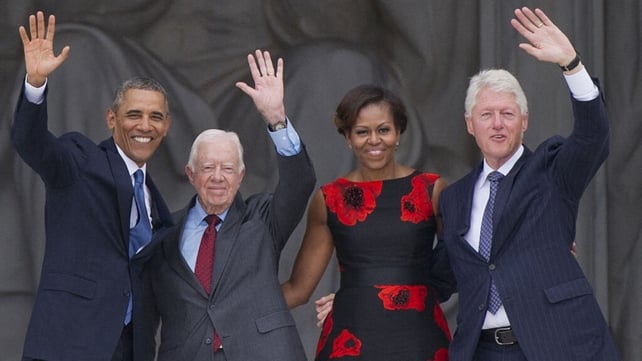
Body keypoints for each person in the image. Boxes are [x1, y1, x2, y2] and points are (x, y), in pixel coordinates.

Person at [438, 7, 620, 360]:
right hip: (482, 350)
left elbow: (593, 136)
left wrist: (571, 65)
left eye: (507, 114)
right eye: (486, 115)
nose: (497, 124)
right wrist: (358, 294)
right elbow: (438, 274)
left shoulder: (552, 170)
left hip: (558, 344)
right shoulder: (455, 197)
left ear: (524, 121)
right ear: (469, 124)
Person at [12, 11, 174, 361]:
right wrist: (35, 85)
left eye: (155, 116)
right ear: (111, 119)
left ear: (166, 127)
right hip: (69, 344)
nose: (144, 125)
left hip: (131, 349)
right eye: (134, 114)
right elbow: (32, 143)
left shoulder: (155, 201)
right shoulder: (80, 159)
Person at [143, 49, 316, 361]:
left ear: (241, 176)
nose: (218, 178)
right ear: (191, 175)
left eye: (227, 169)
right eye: (208, 168)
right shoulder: (164, 231)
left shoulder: (262, 219)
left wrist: (276, 119)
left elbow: (299, 183)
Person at [281, 84, 455, 360]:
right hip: (351, 336)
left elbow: (458, 265)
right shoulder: (329, 198)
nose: (374, 140)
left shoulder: (431, 190)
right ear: (348, 137)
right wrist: (229, 308)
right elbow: (298, 289)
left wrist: (391, 289)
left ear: (398, 133)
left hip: (419, 337)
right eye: (362, 131)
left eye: (383, 129)